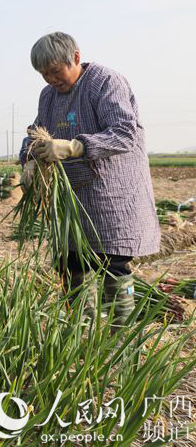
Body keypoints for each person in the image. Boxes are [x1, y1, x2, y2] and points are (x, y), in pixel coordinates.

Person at [20, 32, 159, 332]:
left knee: (112, 265)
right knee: (71, 264)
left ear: (76, 58)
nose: (51, 79)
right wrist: (29, 158)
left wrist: (74, 146)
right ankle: (80, 334)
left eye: (56, 71)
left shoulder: (106, 82)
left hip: (112, 196)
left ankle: (121, 340)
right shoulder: (49, 96)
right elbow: (36, 130)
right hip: (71, 200)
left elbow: (125, 132)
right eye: (44, 74)